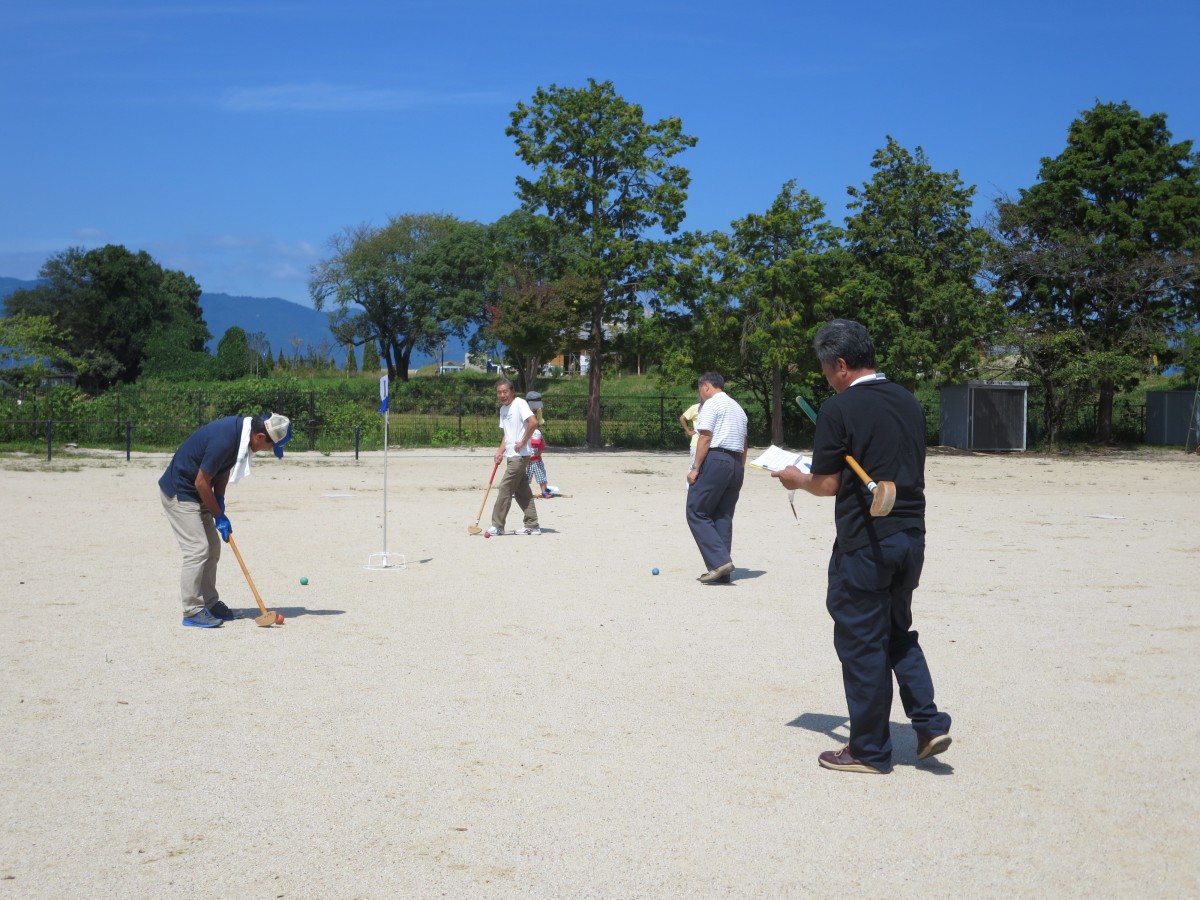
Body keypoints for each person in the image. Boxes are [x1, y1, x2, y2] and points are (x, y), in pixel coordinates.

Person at [772, 319, 951, 774]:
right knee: (897, 633)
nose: (827, 379)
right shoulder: (908, 400)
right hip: (911, 535)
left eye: (826, 370)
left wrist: (795, 479)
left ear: (841, 364)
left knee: (862, 643)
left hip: (866, 544)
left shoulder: (840, 408)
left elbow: (827, 483)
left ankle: (869, 751)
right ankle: (929, 723)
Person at [159, 413, 293, 628]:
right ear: (260, 436)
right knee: (197, 549)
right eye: (270, 446)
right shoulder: (225, 440)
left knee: (212, 548)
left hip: (198, 492)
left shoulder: (240, 436)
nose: (268, 450)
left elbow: (223, 468)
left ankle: (210, 604)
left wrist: (219, 497)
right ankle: (192, 610)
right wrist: (218, 515)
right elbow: (201, 482)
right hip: (181, 492)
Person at [686, 373, 748, 584]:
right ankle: (722, 572)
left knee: (696, 509)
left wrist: (695, 468)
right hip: (736, 462)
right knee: (723, 515)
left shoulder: (711, 404)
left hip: (716, 459)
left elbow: (705, 437)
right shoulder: (738, 409)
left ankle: (719, 562)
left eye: (700, 390)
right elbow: (745, 443)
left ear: (706, 386)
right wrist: (740, 468)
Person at [487, 379, 541, 536]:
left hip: (520, 456)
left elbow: (533, 422)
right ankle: (532, 524)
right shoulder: (503, 409)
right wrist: (500, 451)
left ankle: (497, 525)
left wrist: (523, 441)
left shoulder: (520, 403)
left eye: (505, 391)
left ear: (512, 392)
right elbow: (507, 434)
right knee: (521, 491)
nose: (502, 395)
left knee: (505, 487)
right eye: (499, 392)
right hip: (511, 455)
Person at [679, 398, 701, 468]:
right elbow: (682, 418)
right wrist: (689, 431)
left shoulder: (713, 408)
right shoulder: (695, 407)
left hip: (710, 444)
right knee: (693, 467)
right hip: (696, 443)